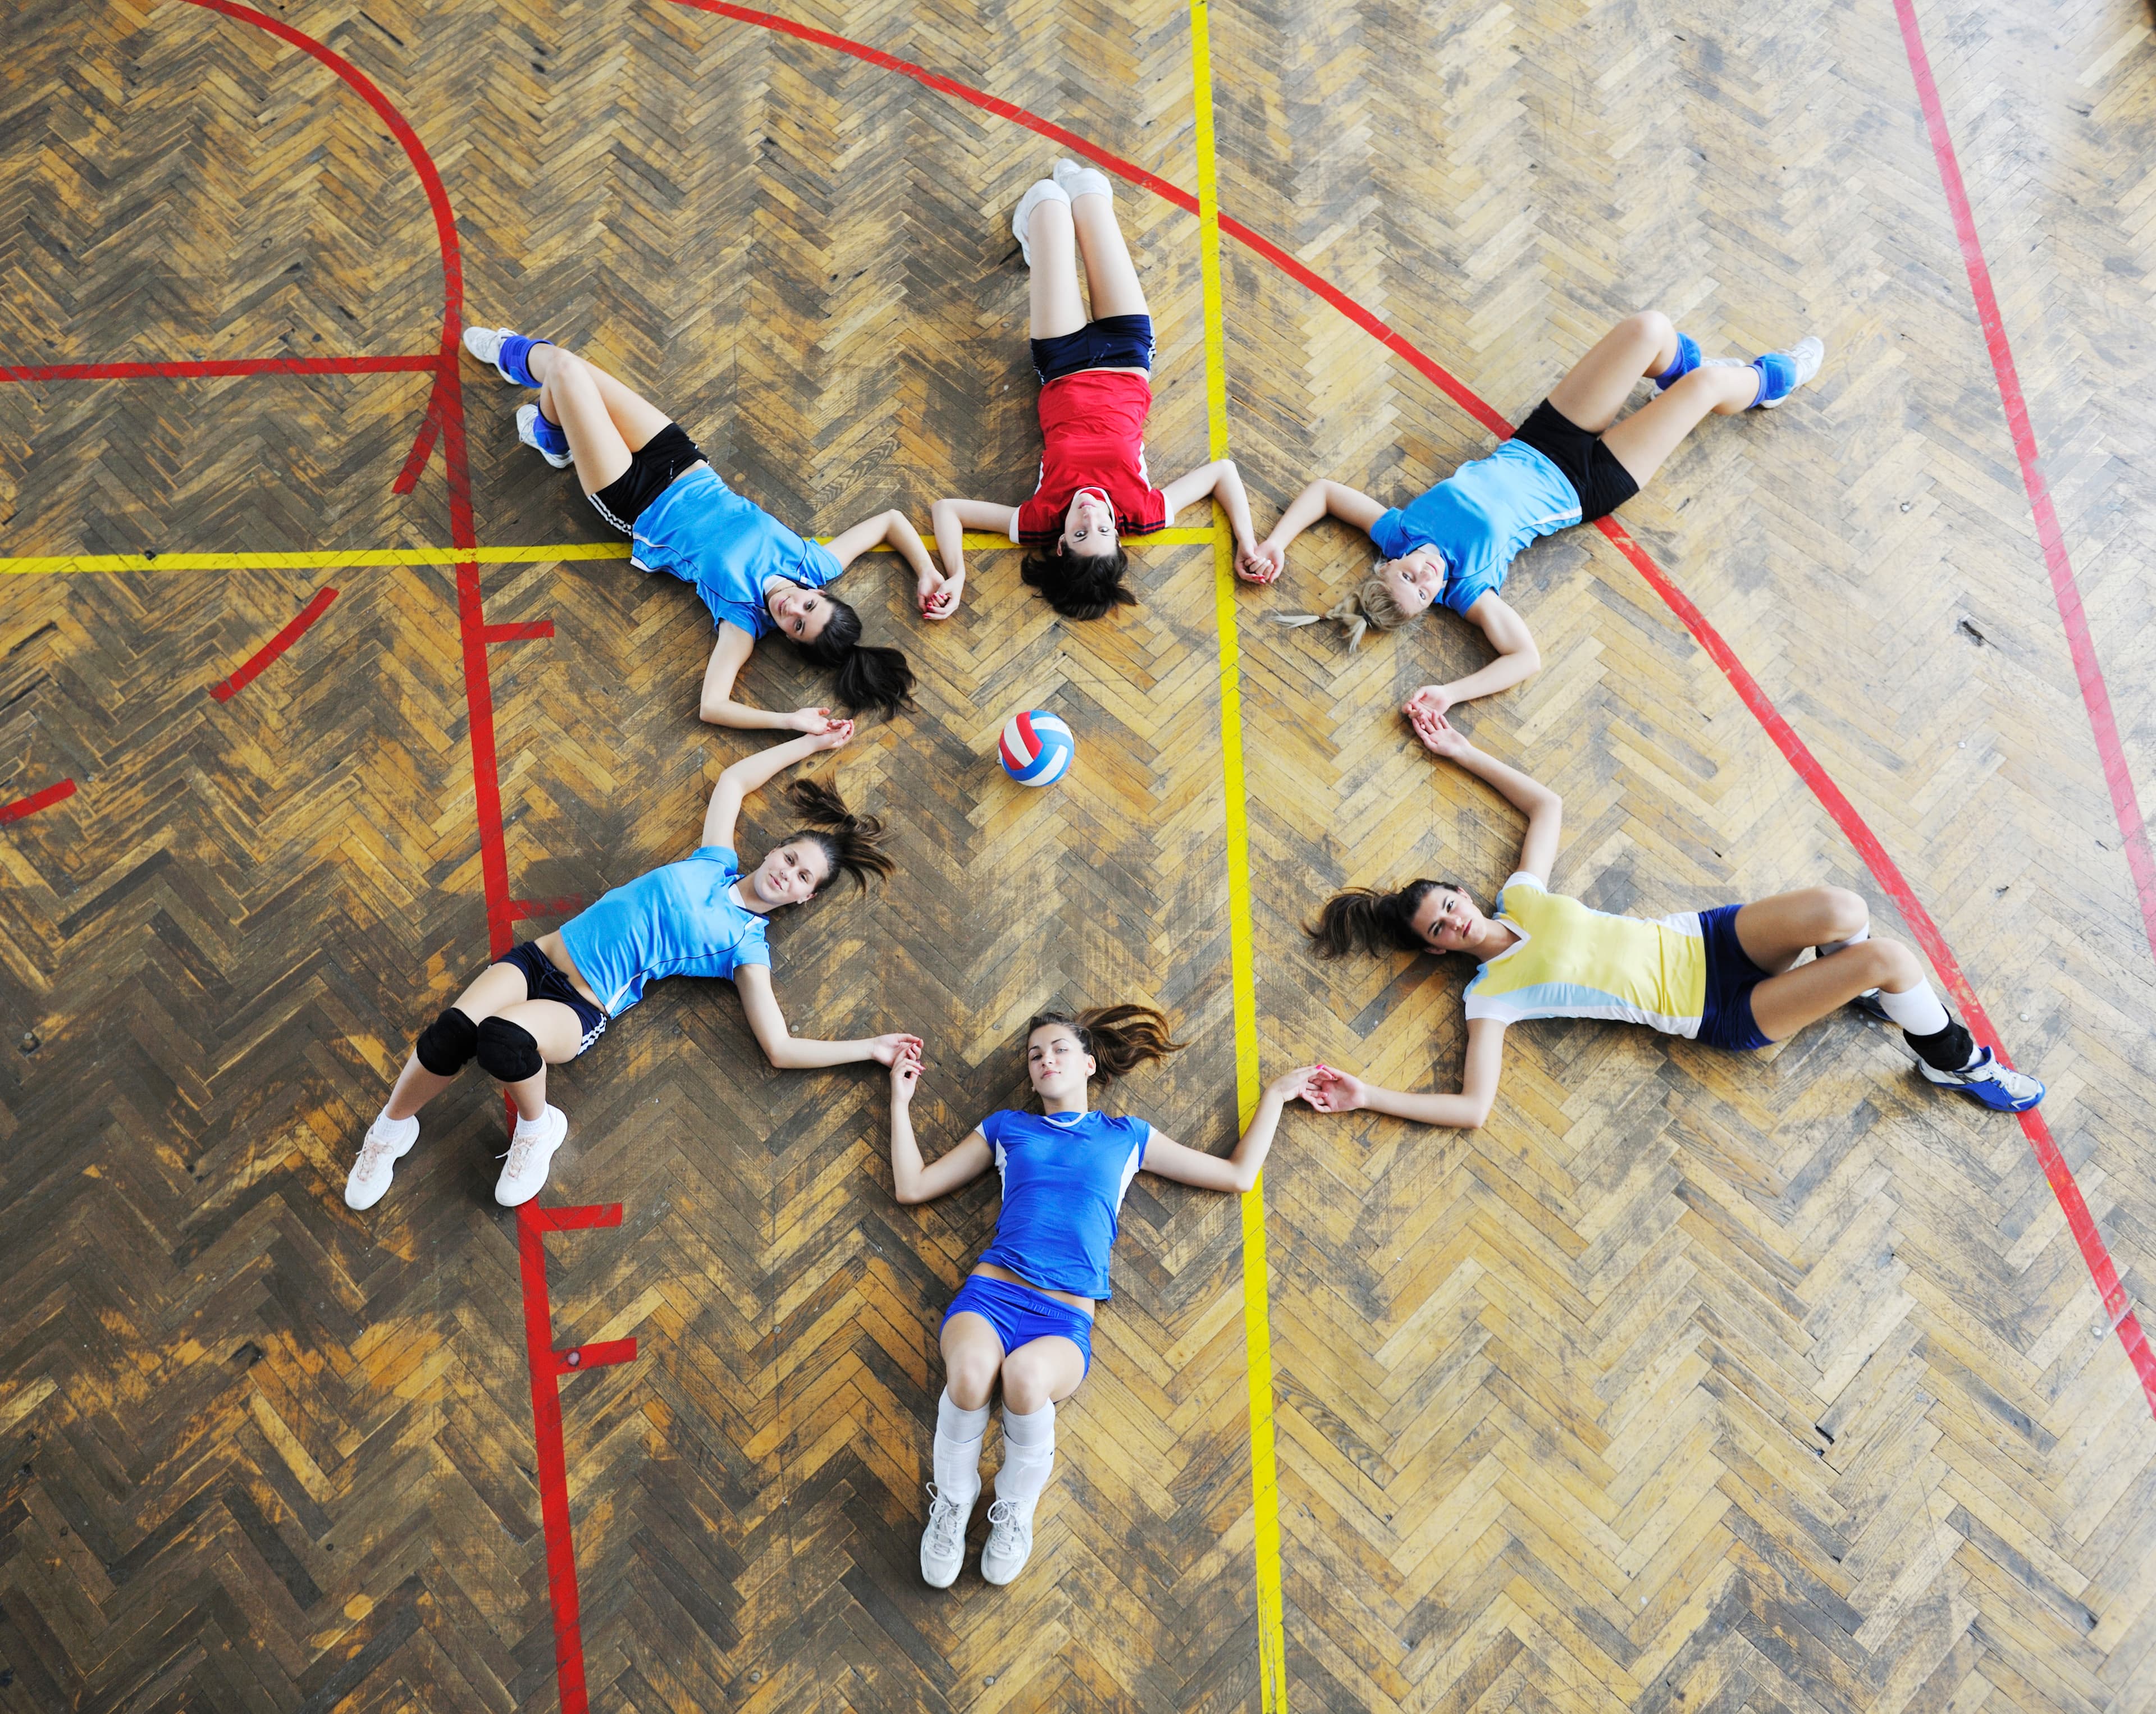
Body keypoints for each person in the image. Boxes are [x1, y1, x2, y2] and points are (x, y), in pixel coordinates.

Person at [1300, 707, 2044, 1127]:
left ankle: (1857, 993)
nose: (1455, 922)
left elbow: (1546, 805)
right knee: (1889, 957)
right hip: (1720, 1008)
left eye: (1449, 904)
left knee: (1844, 909)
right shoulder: (1490, 996)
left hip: (1708, 936)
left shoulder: (1519, 897)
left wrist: (1463, 750)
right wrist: (1368, 1095)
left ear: (1464, 894)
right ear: (1435, 951)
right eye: (1439, 928)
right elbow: (1472, 1107)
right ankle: (1952, 1060)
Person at [345, 726, 922, 1210]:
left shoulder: (747, 945)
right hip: (540, 957)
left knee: (502, 1042)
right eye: (790, 858)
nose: (788, 873)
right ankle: (390, 1130)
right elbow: (733, 782)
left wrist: (869, 1048)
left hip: (579, 1006)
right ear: (773, 850)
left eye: (803, 878)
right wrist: (809, 738)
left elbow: (779, 1045)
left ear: (804, 899)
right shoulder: (714, 860)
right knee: (450, 1033)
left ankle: (537, 1127)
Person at [885, 1007, 1314, 1587]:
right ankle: (953, 1504)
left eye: (1058, 1049)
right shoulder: (1007, 1128)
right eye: (1035, 1055)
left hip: (1063, 1316)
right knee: (969, 1374)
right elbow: (912, 1186)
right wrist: (899, 1101)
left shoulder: (1126, 1137)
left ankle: (1014, 1506)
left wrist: (1277, 1096)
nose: (1045, 1060)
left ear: (1088, 1063)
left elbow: (1237, 1175)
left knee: (1025, 1381)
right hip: (990, 1295)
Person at [1251, 312, 1825, 718]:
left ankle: (1680, 376)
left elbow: (1325, 492)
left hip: (1542, 440)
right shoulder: (1469, 590)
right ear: (1433, 604)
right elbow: (1525, 657)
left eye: (1409, 577)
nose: (1426, 579)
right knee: (1706, 387)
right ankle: (1775, 380)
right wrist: (1452, 693)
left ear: (1388, 563)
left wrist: (1276, 541)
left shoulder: (1398, 530)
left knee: (1647, 330)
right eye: (1424, 593)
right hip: (1590, 484)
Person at [462, 324, 936, 724]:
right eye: (810, 605)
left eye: (795, 625)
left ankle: (513, 360)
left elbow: (712, 705)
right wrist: (928, 572)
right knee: (572, 374)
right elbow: (891, 522)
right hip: (683, 462)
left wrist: (788, 721)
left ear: (789, 637)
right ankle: (550, 435)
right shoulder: (816, 562)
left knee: (565, 371)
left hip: (633, 500)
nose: (793, 606)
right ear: (823, 592)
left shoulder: (743, 622)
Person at [927, 160, 1264, 620]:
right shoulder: (1144, 513)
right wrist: (1247, 539)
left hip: (1062, 359)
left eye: (1081, 534)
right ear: (1118, 533)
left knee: (1047, 202)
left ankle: (1039, 235)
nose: (1091, 518)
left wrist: (957, 572)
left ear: (1062, 543)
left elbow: (947, 510)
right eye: (1103, 530)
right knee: (1088, 187)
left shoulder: (1039, 521)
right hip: (1127, 354)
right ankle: (1063, 216)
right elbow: (1223, 472)